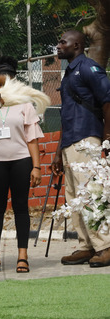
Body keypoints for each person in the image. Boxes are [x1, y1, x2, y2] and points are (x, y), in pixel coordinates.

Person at [0, 59, 45, 274]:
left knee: (21, 207)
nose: (0, 88)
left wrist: (37, 167)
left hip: (21, 161)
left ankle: (23, 255)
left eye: (4, 83)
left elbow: (32, 138)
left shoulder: (24, 104)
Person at [52, 30, 110, 268]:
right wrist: (57, 152)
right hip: (70, 142)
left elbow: (108, 100)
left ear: (76, 45)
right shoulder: (68, 73)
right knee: (74, 198)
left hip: (87, 140)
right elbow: (67, 116)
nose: (58, 45)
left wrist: (107, 137)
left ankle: (104, 246)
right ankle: (87, 246)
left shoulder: (89, 67)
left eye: (62, 42)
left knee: (91, 195)